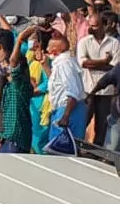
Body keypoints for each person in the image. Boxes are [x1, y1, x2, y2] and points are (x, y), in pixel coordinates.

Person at [76, 12, 120, 146]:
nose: (91, 29)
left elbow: (115, 68)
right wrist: (104, 61)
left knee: (102, 125)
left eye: (95, 26)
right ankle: (78, 147)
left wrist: (93, 63)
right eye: (90, 25)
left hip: (107, 92)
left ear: (104, 25)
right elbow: (83, 63)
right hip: (88, 89)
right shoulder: (84, 42)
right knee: (83, 121)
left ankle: (96, 153)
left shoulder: (114, 43)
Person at [46, 37, 88, 142]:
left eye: (49, 47)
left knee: (63, 151)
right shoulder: (61, 63)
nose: (46, 49)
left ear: (55, 50)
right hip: (63, 109)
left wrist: (65, 117)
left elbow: (72, 92)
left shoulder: (65, 63)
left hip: (69, 110)